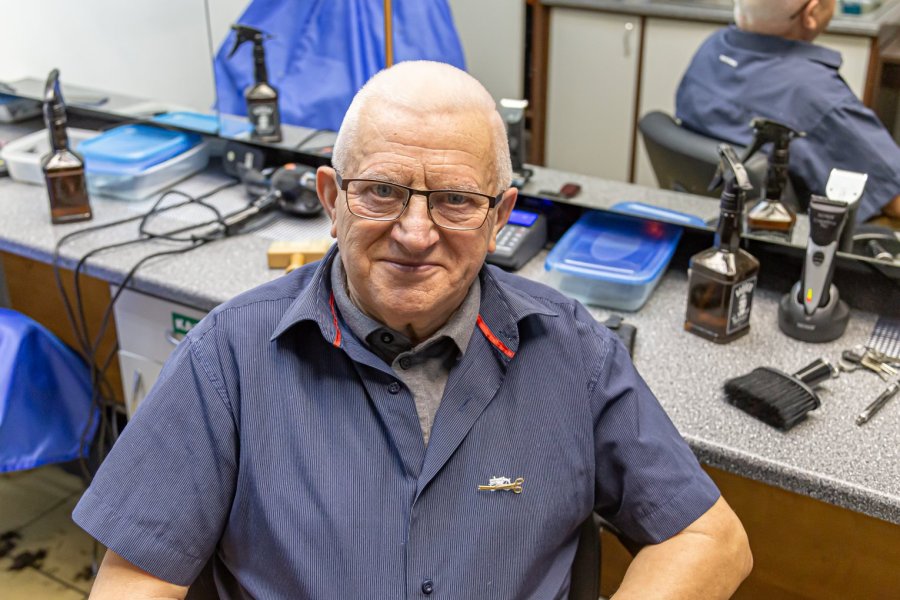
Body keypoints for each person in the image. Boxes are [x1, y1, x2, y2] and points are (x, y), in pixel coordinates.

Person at [75, 61, 752, 599]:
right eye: (382, 191)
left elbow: (710, 540)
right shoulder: (227, 358)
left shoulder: (572, 352)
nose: (416, 233)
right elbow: (137, 579)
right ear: (331, 199)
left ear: (499, 218)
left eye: (456, 199)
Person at [676, 0, 900, 223]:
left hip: (709, 224)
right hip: (787, 234)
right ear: (811, 13)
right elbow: (893, 198)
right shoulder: (816, 96)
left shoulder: (710, 50)